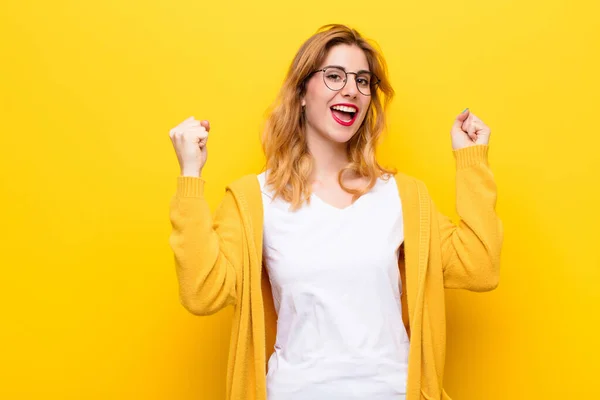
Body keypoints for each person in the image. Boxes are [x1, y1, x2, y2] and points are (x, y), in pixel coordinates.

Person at [168, 24, 502, 400]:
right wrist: (190, 174)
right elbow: (202, 293)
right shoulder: (254, 199)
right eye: (333, 76)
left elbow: (479, 267)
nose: (351, 90)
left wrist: (471, 160)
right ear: (302, 94)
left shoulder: (402, 196)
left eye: (362, 81)